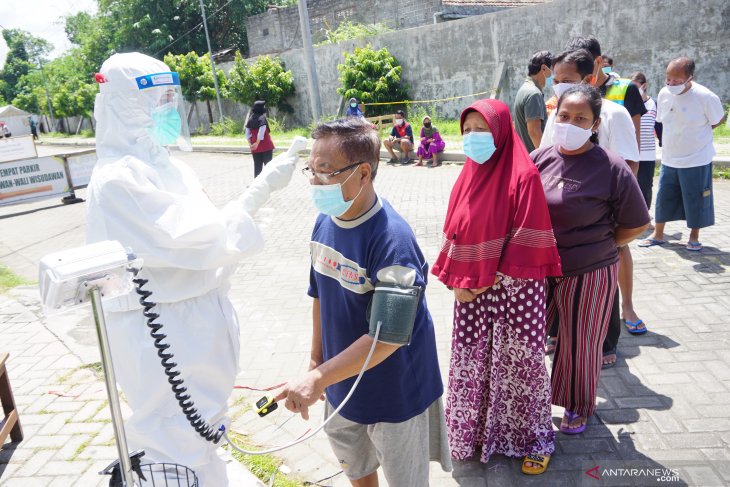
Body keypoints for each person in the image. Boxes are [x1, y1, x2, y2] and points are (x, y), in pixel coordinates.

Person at [86, 52, 304, 486]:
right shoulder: (117, 180)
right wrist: (259, 193)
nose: (170, 109)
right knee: (172, 446)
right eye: (161, 100)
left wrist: (258, 191)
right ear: (129, 105)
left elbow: (209, 240)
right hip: (165, 335)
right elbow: (199, 241)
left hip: (197, 327)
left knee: (201, 445)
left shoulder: (170, 168)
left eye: (172, 97)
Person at [275, 117, 451, 486]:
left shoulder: (394, 243)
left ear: (364, 174)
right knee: (358, 471)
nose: (314, 181)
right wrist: (314, 363)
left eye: (325, 171)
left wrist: (317, 377)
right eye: (311, 168)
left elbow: (387, 338)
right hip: (340, 382)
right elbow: (319, 295)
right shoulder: (326, 221)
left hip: (396, 392)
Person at [431, 99, 562, 475]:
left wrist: (483, 280)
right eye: (467, 130)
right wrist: (458, 283)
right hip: (470, 296)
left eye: (481, 130)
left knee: (519, 366)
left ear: (502, 132)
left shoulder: (525, 177)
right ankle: (473, 434)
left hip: (516, 296)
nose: (473, 138)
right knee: (474, 364)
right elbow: (455, 234)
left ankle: (533, 438)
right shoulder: (467, 176)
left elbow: (529, 242)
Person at [532, 85, 649, 435]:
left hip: (590, 270)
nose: (570, 123)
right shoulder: (540, 158)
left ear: (595, 124)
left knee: (579, 343)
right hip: (541, 268)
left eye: (580, 118)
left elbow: (638, 222)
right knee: (529, 337)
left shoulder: (611, 168)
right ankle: (530, 400)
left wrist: (607, 245)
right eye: (564, 116)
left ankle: (577, 407)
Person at [540, 48, 641, 367]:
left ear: (589, 78)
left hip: (602, 217)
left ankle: (607, 343)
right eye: (555, 80)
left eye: (566, 80)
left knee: (602, 281)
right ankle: (559, 333)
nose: (558, 87)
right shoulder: (558, 113)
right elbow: (547, 154)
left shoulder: (615, 114)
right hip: (562, 216)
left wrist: (611, 229)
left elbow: (630, 165)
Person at [639, 57, 725, 252]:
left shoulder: (705, 96)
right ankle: (658, 234)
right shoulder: (664, 94)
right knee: (664, 197)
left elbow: (718, 119)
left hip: (697, 158)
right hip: (670, 157)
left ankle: (694, 237)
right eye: (668, 79)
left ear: (689, 78)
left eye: (677, 81)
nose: (671, 84)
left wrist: (699, 132)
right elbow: (662, 120)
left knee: (696, 198)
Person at [630, 72, 660, 211]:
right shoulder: (628, 104)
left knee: (646, 185)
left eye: (636, 86)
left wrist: (662, 141)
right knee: (630, 185)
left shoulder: (654, 103)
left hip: (648, 154)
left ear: (644, 85)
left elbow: (659, 125)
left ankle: (645, 216)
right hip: (631, 151)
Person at [513, 50, 553, 152]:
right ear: (544, 68)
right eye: (552, 70)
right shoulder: (534, 94)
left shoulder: (525, 89)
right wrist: (546, 158)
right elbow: (534, 132)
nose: (553, 75)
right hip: (535, 160)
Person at [246, 100, 276, 177]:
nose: (264, 108)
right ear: (261, 108)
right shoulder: (262, 118)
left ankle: (257, 183)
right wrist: (257, 143)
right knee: (268, 166)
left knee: (257, 167)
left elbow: (247, 133)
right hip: (265, 146)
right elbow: (261, 132)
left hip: (254, 147)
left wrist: (251, 144)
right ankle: (268, 182)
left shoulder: (250, 118)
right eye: (264, 106)